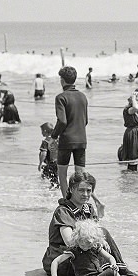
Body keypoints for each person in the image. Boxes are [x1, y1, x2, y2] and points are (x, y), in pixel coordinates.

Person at [41, 173, 138, 276]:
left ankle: (118, 270)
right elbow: (69, 242)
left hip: (82, 256)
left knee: (102, 233)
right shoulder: (63, 211)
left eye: (89, 191)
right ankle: (113, 273)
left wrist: (100, 239)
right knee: (100, 235)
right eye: (81, 190)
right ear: (72, 190)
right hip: (61, 260)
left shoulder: (89, 209)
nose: (85, 194)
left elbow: (96, 233)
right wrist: (98, 241)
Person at [50, 220, 136, 276]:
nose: (85, 247)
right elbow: (55, 262)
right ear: (77, 239)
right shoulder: (74, 251)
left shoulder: (95, 247)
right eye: (82, 244)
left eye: (89, 245)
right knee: (111, 272)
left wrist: (113, 264)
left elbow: (110, 257)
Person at [50, 66, 88, 197]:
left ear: (62, 80)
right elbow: (85, 121)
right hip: (82, 139)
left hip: (67, 140)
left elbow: (62, 121)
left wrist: (53, 137)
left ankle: (67, 201)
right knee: (80, 175)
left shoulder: (61, 97)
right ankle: (82, 201)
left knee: (62, 173)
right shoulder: (83, 96)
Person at [119, 93, 138, 171]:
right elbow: (136, 107)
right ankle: (131, 174)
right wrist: (133, 98)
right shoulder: (128, 110)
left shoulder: (135, 111)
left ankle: (132, 176)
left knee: (136, 157)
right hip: (132, 133)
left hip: (137, 133)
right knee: (132, 156)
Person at [38, 122, 59, 188]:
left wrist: (40, 163)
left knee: (54, 182)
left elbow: (43, 153)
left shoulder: (46, 141)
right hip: (59, 162)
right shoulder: (57, 140)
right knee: (45, 174)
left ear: (45, 131)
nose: (41, 133)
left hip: (51, 164)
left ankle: (52, 191)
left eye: (41, 131)